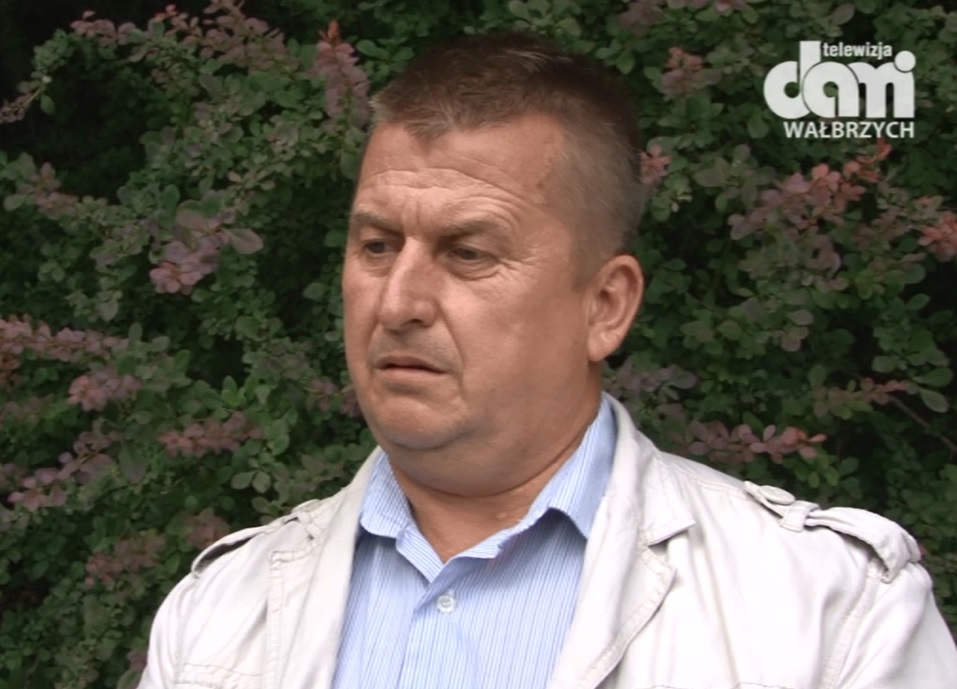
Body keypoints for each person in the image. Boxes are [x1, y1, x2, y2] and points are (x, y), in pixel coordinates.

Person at [138, 31, 957, 689]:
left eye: (467, 252)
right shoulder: (219, 611)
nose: (397, 302)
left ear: (605, 306)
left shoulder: (829, 608)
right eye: (377, 245)